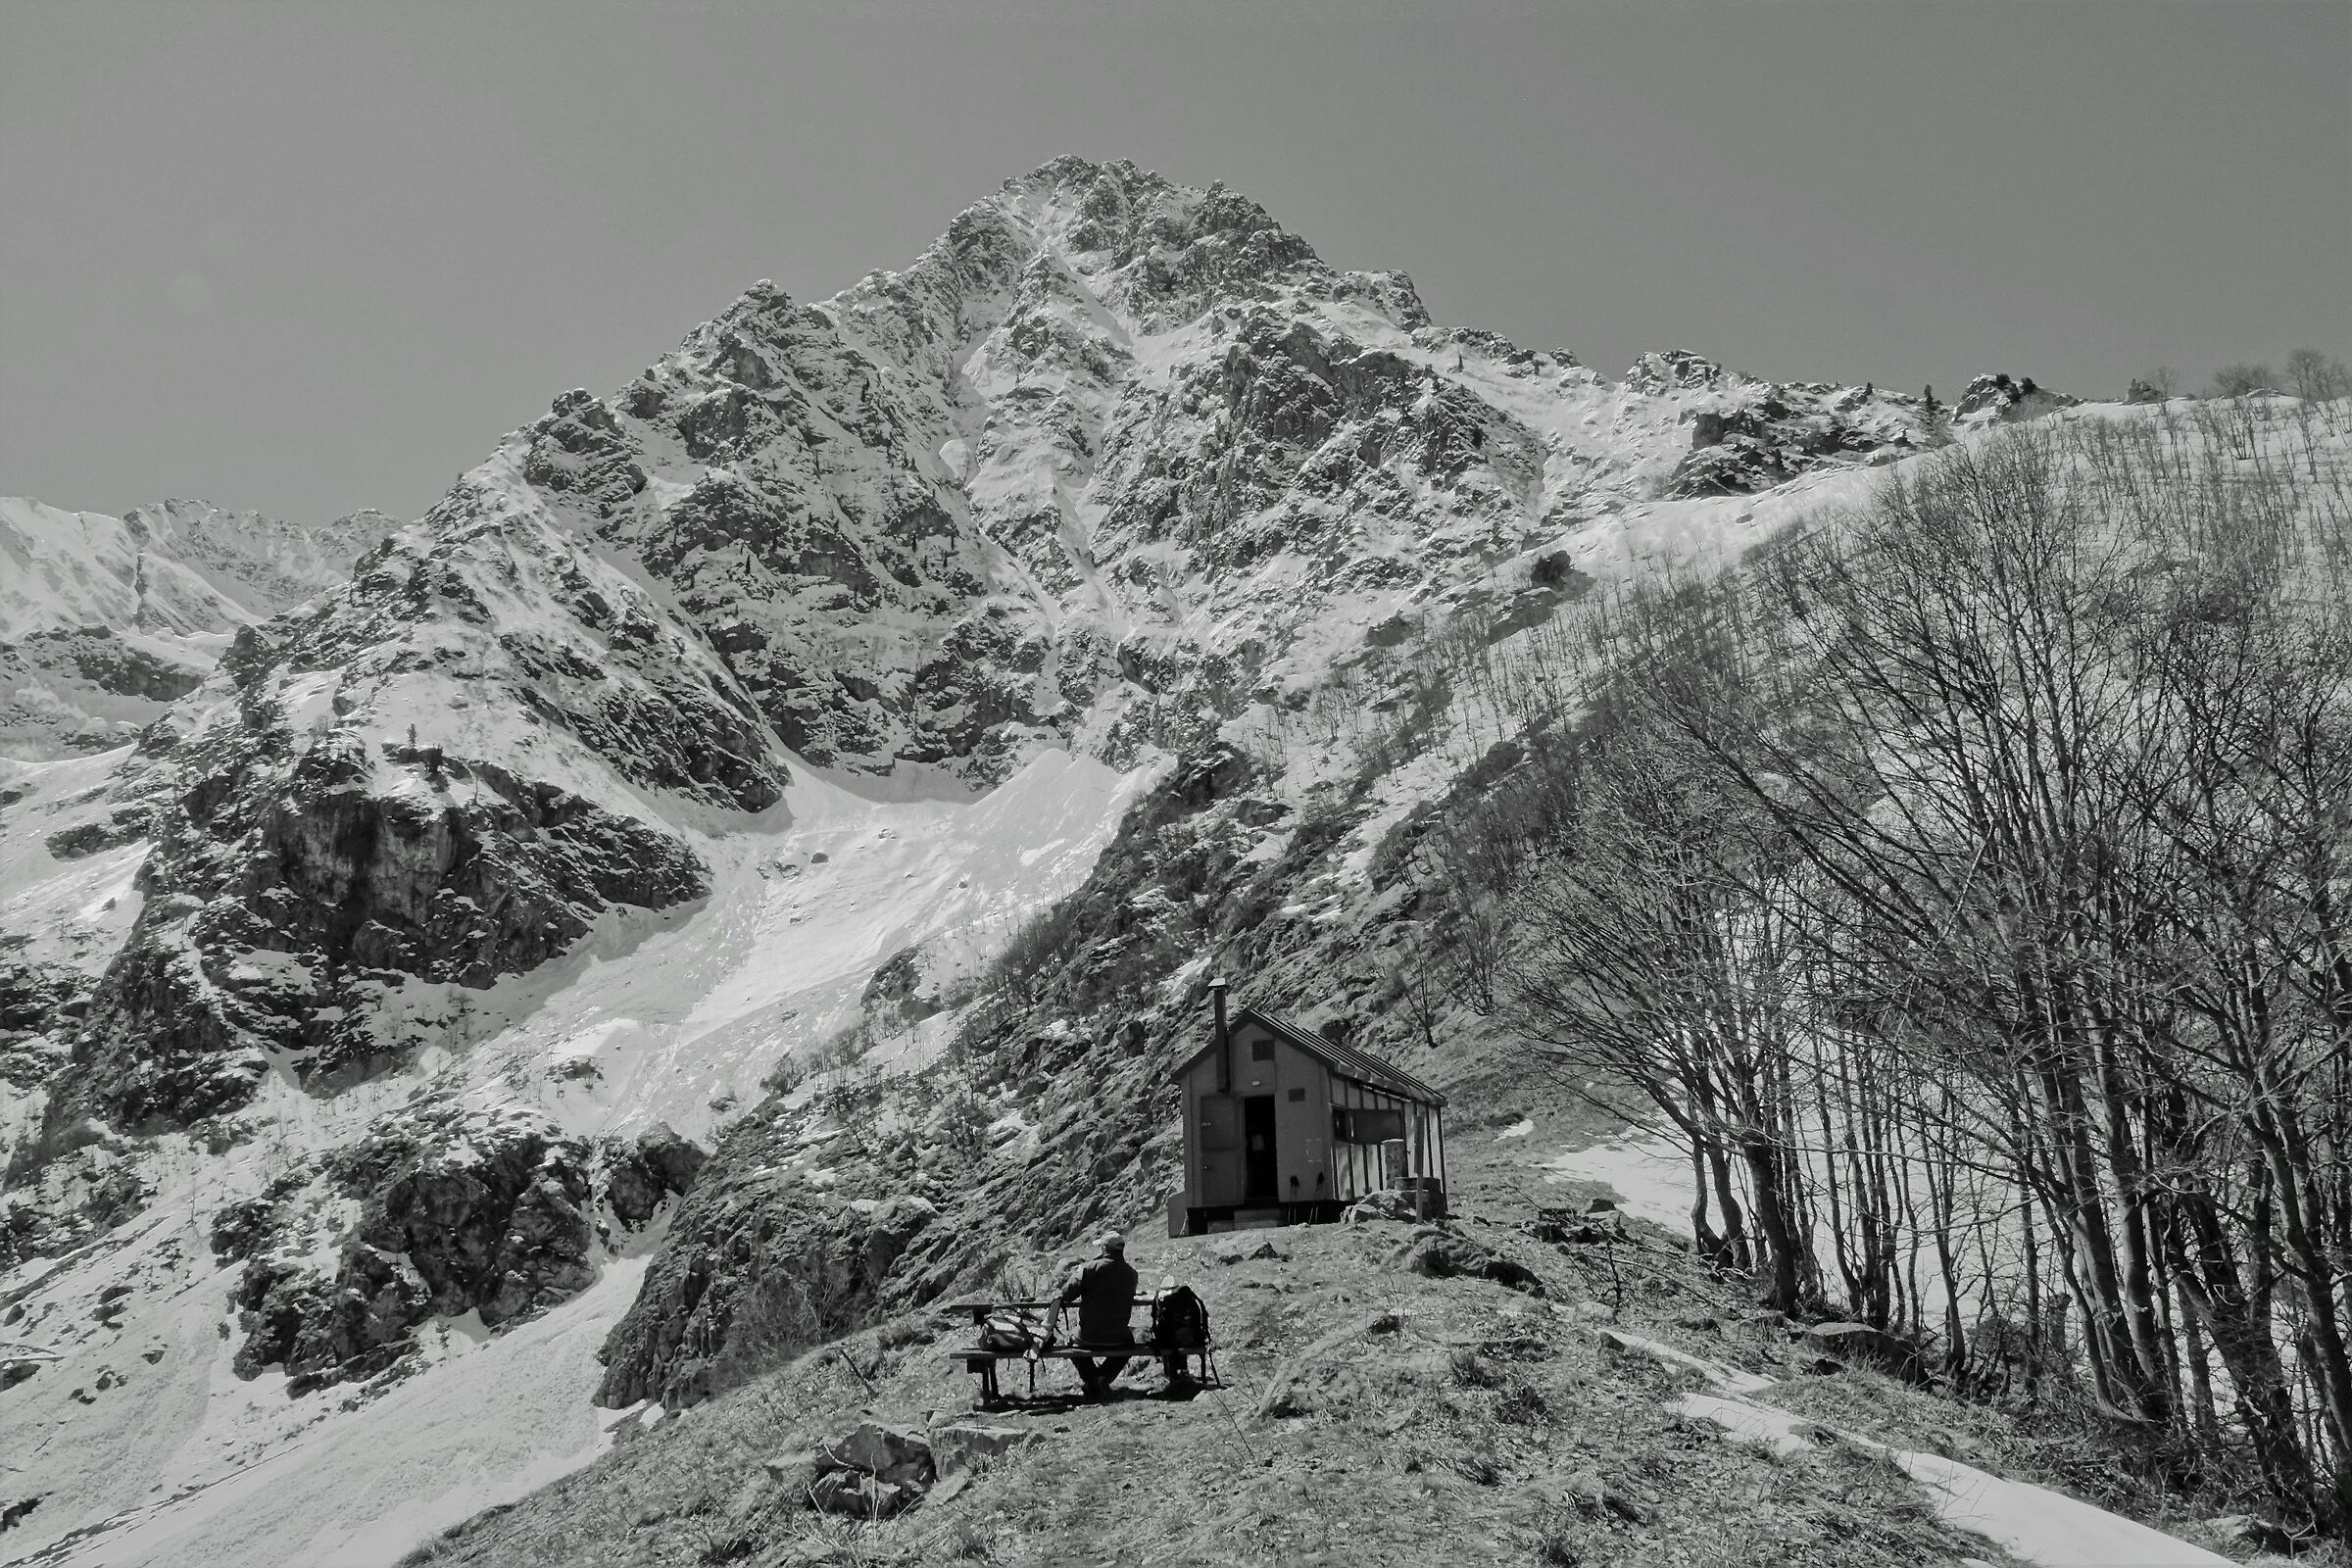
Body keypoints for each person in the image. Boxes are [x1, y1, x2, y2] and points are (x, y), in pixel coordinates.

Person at [1050, 1231, 1138, 1398]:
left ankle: (1094, 1380)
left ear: (1104, 1249)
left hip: (1088, 1336)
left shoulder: (1088, 1269)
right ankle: (1103, 1378)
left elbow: (1067, 1294)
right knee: (1129, 1345)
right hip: (1119, 1337)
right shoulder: (1131, 1273)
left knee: (1070, 1342)